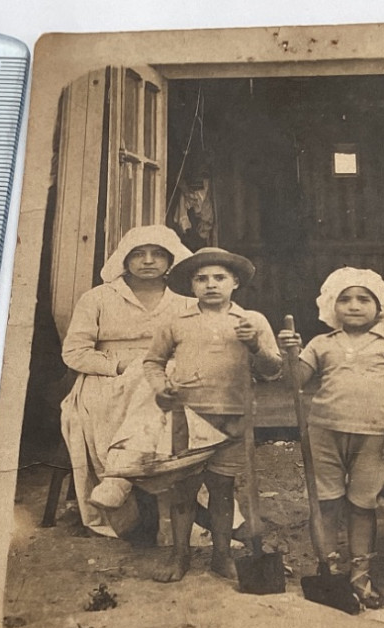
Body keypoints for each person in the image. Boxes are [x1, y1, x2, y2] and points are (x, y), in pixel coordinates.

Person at [276, 267, 384, 609]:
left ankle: (360, 575)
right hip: (324, 430)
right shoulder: (321, 343)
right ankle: (328, 569)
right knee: (324, 501)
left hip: (376, 436)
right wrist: (289, 355)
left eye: (363, 299)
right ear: (331, 306)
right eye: (345, 299)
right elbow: (293, 383)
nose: (354, 305)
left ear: (380, 305)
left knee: (361, 504)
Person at [142, 248, 283, 583]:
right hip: (187, 417)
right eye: (201, 278)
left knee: (222, 490)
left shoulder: (252, 321)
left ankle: (222, 556)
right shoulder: (177, 322)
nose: (211, 285)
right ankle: (180, 557)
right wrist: (160, 387)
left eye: (219, 278)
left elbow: (272, 370)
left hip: (233, 418)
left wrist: (255, 347)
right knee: (183, 490)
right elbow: (153, 362)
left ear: (235, 282)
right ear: (192, 285)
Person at [59, 225, 193, 537]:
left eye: (158, 254)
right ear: (124, 259)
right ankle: (131, 488)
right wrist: (121, 365)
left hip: (165, 377)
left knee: (162, 382)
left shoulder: (186, 302)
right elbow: (75, 352)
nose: (148, 261)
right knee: (153, 384)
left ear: (171, 260)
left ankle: (119, 479)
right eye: (138, 254)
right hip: (106, 380)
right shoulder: (97, 298)